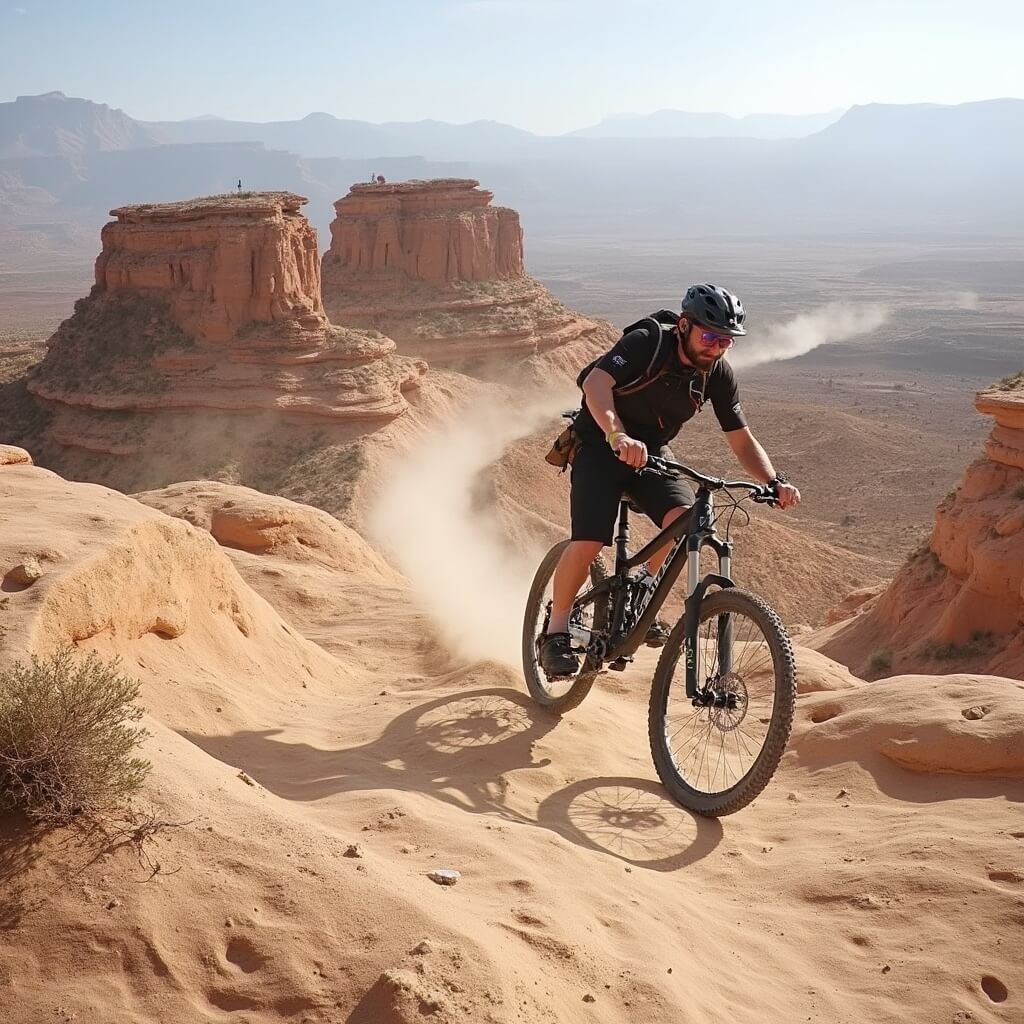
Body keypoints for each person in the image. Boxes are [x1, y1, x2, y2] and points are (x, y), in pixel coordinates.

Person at [540, 283, 801, 677]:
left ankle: (642, 589)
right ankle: (555, 631)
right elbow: (596, 383)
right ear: (684, 325)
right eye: (710, 336)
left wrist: (774, 480)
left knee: (687, 518)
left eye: (726, 341)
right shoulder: (648, 341)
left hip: (652, 453)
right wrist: (617, 435)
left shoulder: (716, 374)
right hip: (599, 443)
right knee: (591, 539)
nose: (716, 347)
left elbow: (741, 438)